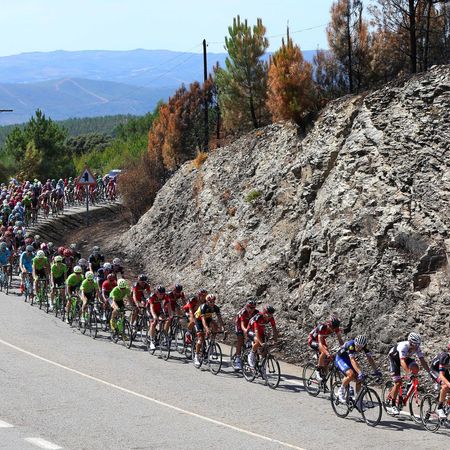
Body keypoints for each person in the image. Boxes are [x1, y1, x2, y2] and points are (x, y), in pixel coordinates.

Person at [387, 332, 432, 415]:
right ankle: (393, 405)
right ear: (410, 342)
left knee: (415, 367)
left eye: (418, 344)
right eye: (415, 344)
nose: (417, 346)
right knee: (398, 383)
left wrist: (430, 371)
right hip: (394, 359)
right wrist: (408, 373)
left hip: (405, 358)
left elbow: (422, 360)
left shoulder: (417, 347)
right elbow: (402, 362)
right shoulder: (404, 346)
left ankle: (407, 387)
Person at [335, 335, 381, 403]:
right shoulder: (350, 345)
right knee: (351, 374)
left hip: (348, 359)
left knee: (359, 379)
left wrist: (376, 370)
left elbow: (369, 358)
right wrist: (360, 372)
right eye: (357, 346)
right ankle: (340, 391)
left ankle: (358, 399)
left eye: (360, 347)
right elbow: (352, 360)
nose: (359, 348)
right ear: (355, 343)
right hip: (341, 358)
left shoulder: (365, 346)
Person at [308, 316, 344, 381]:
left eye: (335, 328)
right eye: (332, 327)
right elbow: (320, 344)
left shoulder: (336, 328)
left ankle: (323, 379)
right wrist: (327, 353)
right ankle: (318, 370)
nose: (333, 329)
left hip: (321, 340)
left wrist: (344, 348)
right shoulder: (322, 327)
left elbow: (340, 340)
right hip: (312, 340)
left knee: (327, 361)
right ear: (328, 325)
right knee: (325, 350)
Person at [194, 294, 225, 368]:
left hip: (208, 318)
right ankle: (196, 356)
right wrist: (207, 329)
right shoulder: (203, 307)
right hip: (199, 320)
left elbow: (220, 318)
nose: (212, 303)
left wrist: (223, 328)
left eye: (213, 301)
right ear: (207, 301)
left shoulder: (215, 308)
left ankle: (212, 342)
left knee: (215, 326)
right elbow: (203, 320)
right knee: (200, 338)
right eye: (210, 301)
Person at [234, 299, 258, 370]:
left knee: (253, 339)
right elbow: (242, 325)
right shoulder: (243, 312)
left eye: (253, 308)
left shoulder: (256, 312)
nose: (252, 309)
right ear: (247, 307)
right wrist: (246, 333)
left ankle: (250, 357)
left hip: (249, 325)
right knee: (240, 340)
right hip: (240, 325)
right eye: (250, 307)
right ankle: (237, 359)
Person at [430, 343, 450, 419]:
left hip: (444, 370)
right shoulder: (445, 357)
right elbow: (441, 375)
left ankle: (446, 406)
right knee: (445, 386)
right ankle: (439, 408)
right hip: (435, 370)